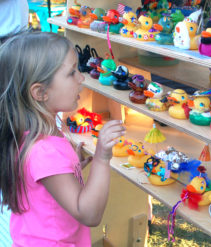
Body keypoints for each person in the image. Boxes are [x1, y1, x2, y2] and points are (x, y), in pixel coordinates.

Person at [0, 31, 125, 246]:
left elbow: (43, 182)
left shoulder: (29, 134)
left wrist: (69, 166)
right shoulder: (45, 151)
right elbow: (88, 213)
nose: (81, 78)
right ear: (40, 92)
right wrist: (102, 158)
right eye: (71, 73)